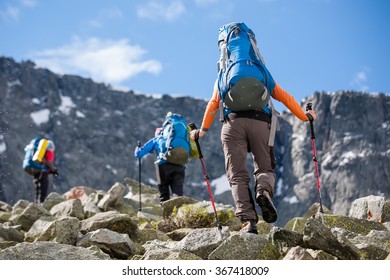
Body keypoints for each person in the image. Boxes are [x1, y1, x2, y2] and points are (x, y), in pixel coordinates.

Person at [190, 61, 317, 234]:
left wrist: (202, 131)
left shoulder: (223, 75)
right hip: (260, 122)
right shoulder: (260, 69)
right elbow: (284, 97)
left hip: (232, 124)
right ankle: (263, 191)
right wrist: (305, 117)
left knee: (237, 175)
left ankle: (248, 221)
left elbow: (214, 103)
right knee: (265, 167)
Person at [134, 113, 188, 204]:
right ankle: (180, 214)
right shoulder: (182, 137)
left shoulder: (158, 138)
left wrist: (137, 149)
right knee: (178, 194)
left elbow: (139, 154)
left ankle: (166, 214)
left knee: (164, 194)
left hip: (163, 166)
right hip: (180, 166)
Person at [23, 138, 58, 203]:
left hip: (34, 169)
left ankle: (36, 203)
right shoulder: (48, 151)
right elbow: (48, 162)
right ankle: (41, 203)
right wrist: (54, 169)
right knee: (43, 188)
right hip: (41, 171)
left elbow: (44, 162)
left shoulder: (39, 152)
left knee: (38, 188)